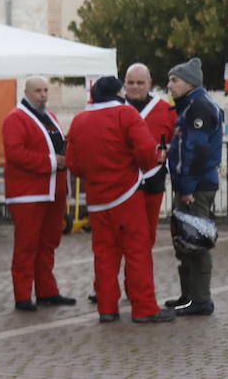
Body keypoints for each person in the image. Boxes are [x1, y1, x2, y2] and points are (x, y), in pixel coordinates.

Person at [65, 76, 173, 323]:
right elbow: (146, 151)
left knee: (104, 254)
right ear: (118, 92)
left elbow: (72, 163)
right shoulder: (125, 114)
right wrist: (148, 164)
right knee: (137, 250)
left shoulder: (80, 120)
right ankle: (144, 307)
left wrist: (93, 175)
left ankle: (107, 307)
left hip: (97, 197)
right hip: (126, 193)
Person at [2, 77, 75, 310]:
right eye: (37, 91)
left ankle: (47, 290)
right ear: (26, 92)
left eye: (45, 91)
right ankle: (22, 295)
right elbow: (16, 154)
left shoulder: (51, 118)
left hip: (53, 190)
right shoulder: (15, 118)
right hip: (29, 193)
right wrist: (54, 161)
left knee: (49, 243)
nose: (42, 95)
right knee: (26, 245)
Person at [164, 57, 223, 315]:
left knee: (196, 240)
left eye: (174, 80)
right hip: (191, 184)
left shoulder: (198, 107)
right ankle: (188, 296)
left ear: (189, 82)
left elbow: (197, 151)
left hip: (196, 187)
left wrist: (186, 187)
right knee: (185, 240)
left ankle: (200, 300)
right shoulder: (190, 105)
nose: (169, 85)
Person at [124, 63, 179, 247]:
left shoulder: (166, 109)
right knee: (122, 238)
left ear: (149, 83)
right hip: (121, 183)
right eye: (130, 82)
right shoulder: (114, 108)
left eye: (140, 82)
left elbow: (178, 143)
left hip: (152, 181)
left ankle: (142, 276)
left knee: (147, 236)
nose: (135, 87)